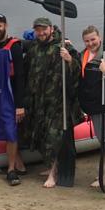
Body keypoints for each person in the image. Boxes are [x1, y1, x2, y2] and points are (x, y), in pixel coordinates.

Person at [25, 17, 79, 188]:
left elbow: (78, 71)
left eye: (44, 29)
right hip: (40, 101)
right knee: (41, 134)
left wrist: (69, 59)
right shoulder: (34, 48)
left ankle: (53, 173)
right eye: (38, 30)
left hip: (58, 101)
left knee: (54, 137)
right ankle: (50, 166)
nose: (41, 33)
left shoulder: (63, 46)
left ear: (51, 29)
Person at [0, 12, 26, 185]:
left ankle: (11, 170)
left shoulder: (14, 46)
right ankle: (20, 165)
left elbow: (21, 76)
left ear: (5, 25)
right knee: (2, 129)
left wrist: (20, 105)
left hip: (10, 94)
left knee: (10, 131)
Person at [75, 24, 105, 189]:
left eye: (93, 39)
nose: (90, 43)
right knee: (102, 140)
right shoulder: (83, 55)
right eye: (87, 41)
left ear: (99, 38)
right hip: (93, 106)